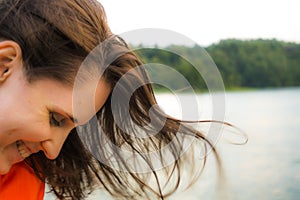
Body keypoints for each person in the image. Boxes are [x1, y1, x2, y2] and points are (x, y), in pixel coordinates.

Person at [0, 0, 222, 199]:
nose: (53, 152)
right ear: (4, 64)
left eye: (70, 130)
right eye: (56, 119)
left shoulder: (22, 177)